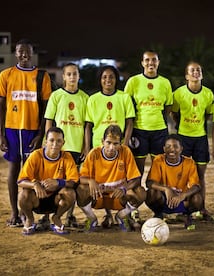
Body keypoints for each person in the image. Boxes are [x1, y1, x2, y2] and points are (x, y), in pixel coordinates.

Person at [0, 38, 52, 227]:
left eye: (27, 51)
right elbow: (0, 106)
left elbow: (46, 109)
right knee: (13, 170)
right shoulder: (6, 75)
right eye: (20, 51)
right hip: (12, 129)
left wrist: (41, 134)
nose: (24, 54)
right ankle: (14, 212)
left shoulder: (42, 76)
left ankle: (29, 212)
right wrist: (1, 133)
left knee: (32, 173)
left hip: (32, 131)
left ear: (32, 52)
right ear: (15, 53)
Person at [84, 65, 136, 228]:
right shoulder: (93, 99)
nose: (108, 80)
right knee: (101, 181)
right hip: (99, 146)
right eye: (104, 77)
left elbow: (129, 122)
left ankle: (122, 214)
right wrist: (87, 148)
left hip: (117, 145)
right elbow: (88, 126)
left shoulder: (124, 97)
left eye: (111, 77)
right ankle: (108, 215)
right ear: (100, 80)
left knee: (118, 179)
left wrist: (125, 143)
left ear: (116, 79)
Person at [76, 124, 146, 232]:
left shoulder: (126, 152)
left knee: (140, 192)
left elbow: (136, 179)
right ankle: (91, 218)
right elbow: (80, 178)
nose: (111, 147)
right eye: (108, 142)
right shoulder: (94, 153)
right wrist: (90, 181)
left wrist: (124, 189)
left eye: (116, 144)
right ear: (102, 141)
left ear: (121, 143)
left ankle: (121, 216)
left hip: (117, 196)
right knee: (81, 189)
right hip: (98, 195)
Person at [44, 62, 89, 228]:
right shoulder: (56, 96)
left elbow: (86, 125)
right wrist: (48, 143)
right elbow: (49, 120)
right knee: (53, 182)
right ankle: (46, 215)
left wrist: (86, 146)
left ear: (78, 76)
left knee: (73, 183)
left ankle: (70, 216)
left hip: (76, 148)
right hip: (58, 147)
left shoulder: (85, 98)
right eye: (68, 74)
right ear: (63, 76)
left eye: (75, 74)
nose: (72, 77)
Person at [171, 61, 214, 220]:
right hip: (183, 138)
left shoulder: (208, 94)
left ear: (201, 74)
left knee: (200, 175)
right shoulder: (178, 93)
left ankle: (202, 208)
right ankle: (184, 208)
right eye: (192, 70)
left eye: (198, 70)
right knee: (183, 176)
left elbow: (208, 115)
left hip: (201, 138)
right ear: (186, 75)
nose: (195, 72)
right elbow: (174, 113)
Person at [17, 127, 79, 235]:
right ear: (46, 141)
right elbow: (21, 181)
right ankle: (30, 220)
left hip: (56, 200)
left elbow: (73, 182)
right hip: (37, 198)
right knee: (23, 195)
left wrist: (58, 182)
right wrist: (35, 185)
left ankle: (56, 218)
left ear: (63, 143)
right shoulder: (36, 155)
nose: (55, 144)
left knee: (70, 193)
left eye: (59, 141)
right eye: (52, 140)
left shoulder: (67, 157)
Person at [124, 50, 173, 176]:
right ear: (142, 63)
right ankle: (139, 194)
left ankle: (156, 194)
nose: (150, 63)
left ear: (158, 63)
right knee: (138, 169)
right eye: (147, 60)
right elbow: (126, 104)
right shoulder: (133, 81)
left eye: (154, 60)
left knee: (159, 169)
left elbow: (168, 107)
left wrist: (157, 118)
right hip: (139, 130)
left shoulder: (165, 82)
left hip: (159, 131)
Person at [145, 134, 203, 230]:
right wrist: (166, 189)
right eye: (168, 146)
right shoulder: (158, 160)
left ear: (181, 149)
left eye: (175, 146)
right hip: (164, 200)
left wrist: (183, 195)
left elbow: (196, 186)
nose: (172, 149)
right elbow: (149, 182)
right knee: (151, 193)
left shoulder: (189, 162)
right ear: (164, 149)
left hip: (181, 200)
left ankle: (187, 215)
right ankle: (159, 214)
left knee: (197, 198)